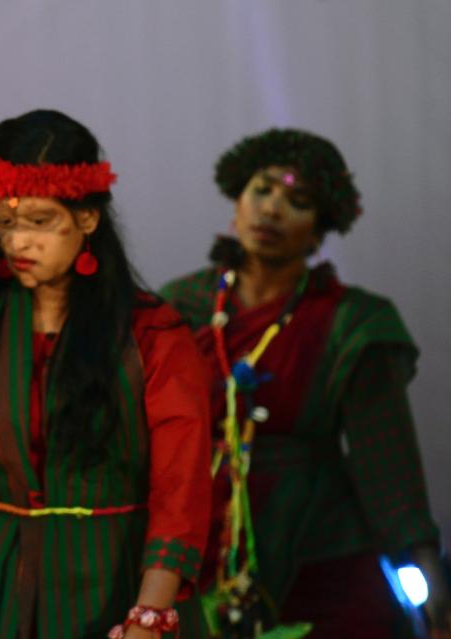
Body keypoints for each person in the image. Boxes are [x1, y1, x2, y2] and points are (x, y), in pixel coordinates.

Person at [0, 109, 212, 639]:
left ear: (87, 218)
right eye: (5, 222)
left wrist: (151, 613)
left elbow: (182, 487)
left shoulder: (152, 334)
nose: (18, 243)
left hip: (111, 582)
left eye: (40, 221)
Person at [160, 128, 451, 638]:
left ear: (319, 231)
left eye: (297, 201)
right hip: (198, 534)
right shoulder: (180, 306)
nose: (272, 210)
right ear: (236, 201)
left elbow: (387, 461)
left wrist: (425, 561)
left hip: (318, 541)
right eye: (262, 190)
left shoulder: (353, 322)